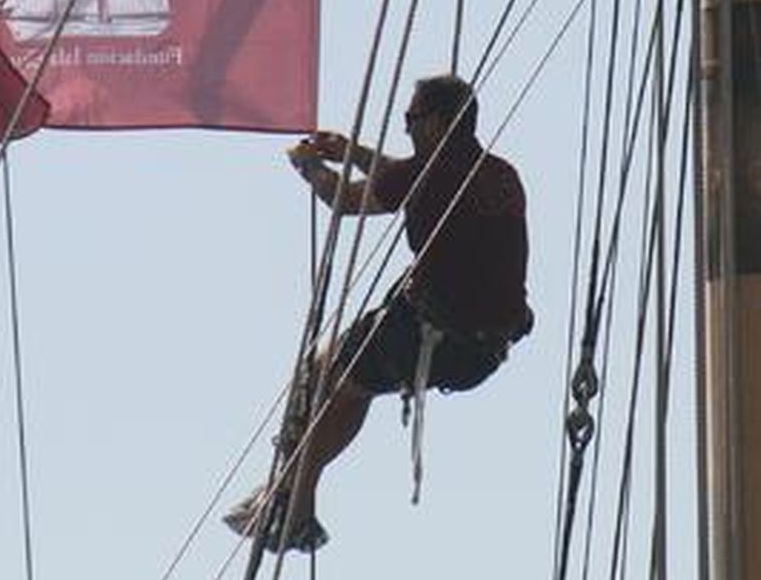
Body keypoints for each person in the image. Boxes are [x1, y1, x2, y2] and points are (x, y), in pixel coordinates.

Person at [225, 74, 531, 553]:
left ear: (438, 123)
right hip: (482, 354)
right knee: (350, 377)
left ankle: (295, 505)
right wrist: (350, 148)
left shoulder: (430, 174)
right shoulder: (497, 173)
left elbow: (345, 200)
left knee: (328, 370)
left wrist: (308, 167)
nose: (406, 129)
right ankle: (294, 495)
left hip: (431, 336)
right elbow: (404, 177)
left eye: (412, 119)